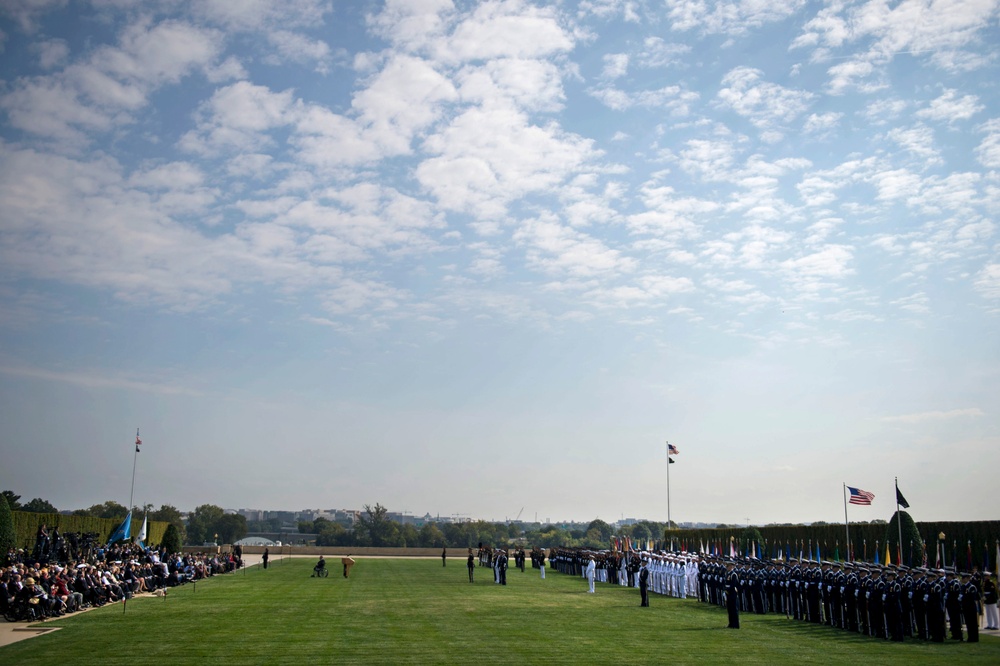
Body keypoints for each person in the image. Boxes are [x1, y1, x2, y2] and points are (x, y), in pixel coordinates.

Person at [961, 571, 981, 642]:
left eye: (963, 578)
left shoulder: (971, 587)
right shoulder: (963, 586)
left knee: (973, 623)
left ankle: (974, 638)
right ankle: (970, 637)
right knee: (968, 623)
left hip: (971, 607)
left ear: (967, 578)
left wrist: (963, 597)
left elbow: (971, 598)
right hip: (966, 607)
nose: (962, 579)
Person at [725, 560, 741, 629]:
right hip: (728, 593)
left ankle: (736, 624)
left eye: (728, 566)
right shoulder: (728, 574)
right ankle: (731, 623)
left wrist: (727, 588)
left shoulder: (733, 574)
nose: (727, 567)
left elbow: (734, 584)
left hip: (733, 593)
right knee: (730, 609)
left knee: (734, 609)